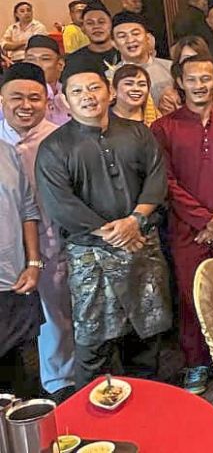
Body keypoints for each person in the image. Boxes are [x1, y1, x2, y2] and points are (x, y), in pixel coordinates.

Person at [35, 55, 173, 385]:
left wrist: (134, 221)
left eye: (94, 87)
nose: (88, 96)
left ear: (110, 91)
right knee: (93, 342)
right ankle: (95, 424)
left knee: (146, 337)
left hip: (141, 247)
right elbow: (60, 203)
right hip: (90, 256)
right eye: (78, 90)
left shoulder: (138, 133)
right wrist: (113, 231)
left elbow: (157, 178)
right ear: (65, 100)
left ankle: (148, 408)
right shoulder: (54, 147)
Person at [150, 54, 213, 394]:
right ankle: (196, 363)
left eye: (206, 78)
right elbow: (166, 180)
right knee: (191, 295)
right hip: (186, 230)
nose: (199, 85)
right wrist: (203, 219)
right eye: (192, 79)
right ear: (179, 82)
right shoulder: (163, 128)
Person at [0, 62, 75, 399]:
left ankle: (59, 382)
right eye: (16, 97)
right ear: (2, 100)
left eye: (35, 97)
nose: (25, 105)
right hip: (8, 250)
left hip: (51, 240)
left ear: (48, 101)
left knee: (58, 315)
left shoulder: (61, 138)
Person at [0, 137, 41, 397]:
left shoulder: (7, 152)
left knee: (20, 381)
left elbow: (28, 210)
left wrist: (34, 262)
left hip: (13, 283)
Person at [111, 11, 175, 110]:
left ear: (148, 38)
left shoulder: (171, 69)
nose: (130, 40)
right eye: (122, 36)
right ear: (114, 44)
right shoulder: (109, 77)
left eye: (136, 33)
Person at [18, 36, 70, 125]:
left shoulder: (70, 93)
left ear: (60, 65)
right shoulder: (14, 97)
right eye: (31, 59)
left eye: (45, 59)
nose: (37, 65)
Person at [69, 0, 120, 69]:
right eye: (90, 23)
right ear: (82, 28)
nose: (96, 26)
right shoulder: (73, 62)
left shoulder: (125, 54)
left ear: (111, 25)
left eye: (101, 22)